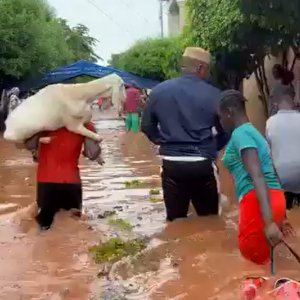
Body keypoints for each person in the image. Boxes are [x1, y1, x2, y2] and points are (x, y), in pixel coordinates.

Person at [141, 47, 228, 222]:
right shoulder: (214, 95)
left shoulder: (158, 91)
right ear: (200, 68)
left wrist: (163, 142)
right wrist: (212, 148)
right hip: (203, 164)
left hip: (172, 165)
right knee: (210, 221)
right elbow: (226, 130)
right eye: (207, 70)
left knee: (175, 222)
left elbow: (147, 126)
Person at [219, 89, 294, 264]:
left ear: (229, 112)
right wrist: (281, 215)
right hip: (273, 199)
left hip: (257, 201)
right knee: (266, 263)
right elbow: (273, 172)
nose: (221, 122)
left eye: (221, 116)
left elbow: (257, 175)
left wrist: (268, 222)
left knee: (252, 263)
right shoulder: (254, 132)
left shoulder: (241, 134)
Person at [24, 123, 103, 230]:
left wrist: (40, 139)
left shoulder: (43, 122)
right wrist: (93, 154)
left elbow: (28, 144)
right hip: (71, 181)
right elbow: (92, 153)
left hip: (46, 181)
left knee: (44, 227)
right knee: (73, 225)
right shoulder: (84, 124)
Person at [266, 85, 300, 209]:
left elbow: (267, 154)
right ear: (293, 99)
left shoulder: (270, 122)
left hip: (282, 176)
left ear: (276, 102)